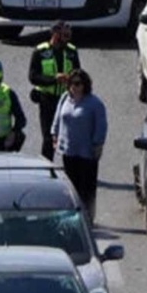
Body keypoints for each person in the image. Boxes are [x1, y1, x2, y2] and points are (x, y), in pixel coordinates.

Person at [51, 69, 107, 221]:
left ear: (85, 85)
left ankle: (88, 218)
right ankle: (72, 215)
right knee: (70, 187)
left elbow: (101, 126)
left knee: (86, 189)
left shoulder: (94, 103)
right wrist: (55, 135)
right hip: (68, 151)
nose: (73, 87)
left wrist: (98, 145)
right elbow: (58, 119)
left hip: (87, 152)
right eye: (71, 83)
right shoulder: (64, 98)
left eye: (77, 84)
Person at [29, 20, 81, 160]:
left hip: (66, 100)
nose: (66, 38)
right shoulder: (40, 51)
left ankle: (70, 168)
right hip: (47, 99)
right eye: (63, 34)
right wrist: (53, 79)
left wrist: (70, 80)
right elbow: (33, 77)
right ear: (54, 34)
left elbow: (78, 74)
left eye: (68, 35)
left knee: (67, 136)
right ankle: (46, 166)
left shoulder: (72, 51)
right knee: (48, 137)